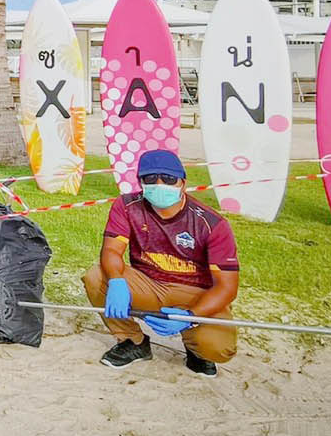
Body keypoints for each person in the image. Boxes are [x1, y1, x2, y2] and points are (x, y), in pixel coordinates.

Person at [83, 149, 240, 378]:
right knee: (96, 277)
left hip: (195, 293)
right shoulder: (127, 206)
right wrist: (116, 282)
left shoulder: (212, 224)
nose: (159, 184)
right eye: (150, 179)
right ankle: (133, 341)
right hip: (150, 284)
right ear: (140, 182)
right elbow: (111, 250)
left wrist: (190, 316)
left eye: (168, 178)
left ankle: (197, 350)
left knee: (218, 348)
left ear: (183, 182)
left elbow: (227, 287)